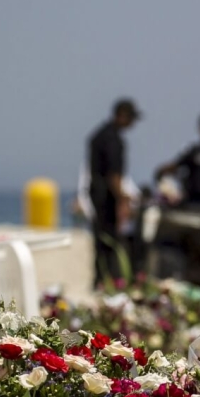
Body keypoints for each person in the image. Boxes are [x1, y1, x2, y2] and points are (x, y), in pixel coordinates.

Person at [87, 98, 141, 289]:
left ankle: (102, 279)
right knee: (109, 240)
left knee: (101, 239)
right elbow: (114, 175)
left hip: (97, 193)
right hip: (106, 197)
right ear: (123, 116)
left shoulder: (100, 134)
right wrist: (123, 199)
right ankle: (107, 280)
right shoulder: (113, 139)